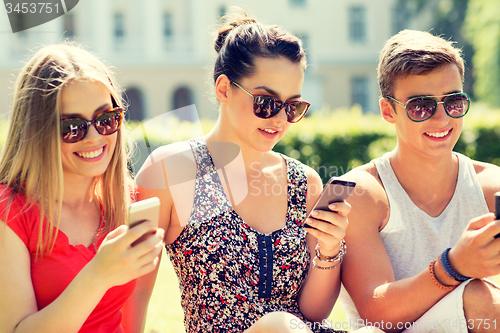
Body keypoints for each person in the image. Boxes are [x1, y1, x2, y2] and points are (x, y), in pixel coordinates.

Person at [134, 8, 382, 333]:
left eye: (292, 106)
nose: (280, 119)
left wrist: (330, 248)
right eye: (266, 102)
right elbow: (133, 297)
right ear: (224, 89)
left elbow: (314, 311)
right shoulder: (175, 169)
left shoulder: (303, 183)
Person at [339, 29, 500, 333]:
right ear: (388, 111)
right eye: (421, 107)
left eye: (453, 101)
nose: (441, 119)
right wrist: (454, 266)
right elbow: (377, 313)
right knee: (477, 296)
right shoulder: (361, 194)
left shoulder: (491, 185)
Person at [0, 43, 165, 332]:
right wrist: (99, 274)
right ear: (37, 130)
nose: (94, 137)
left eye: (106, 119)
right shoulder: (10, 212)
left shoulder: (123, 200)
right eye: (72, 127)